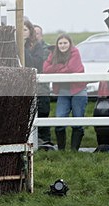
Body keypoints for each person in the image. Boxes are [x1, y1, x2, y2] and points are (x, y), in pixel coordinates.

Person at [43, 34, 87, 150]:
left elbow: (71, 68)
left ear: (70, 43)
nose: (63, 45)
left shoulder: (75, 52)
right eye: (60, 43)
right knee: (60, 119)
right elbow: (46, 69)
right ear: (57, 45)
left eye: (65, 43)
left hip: (78, 90)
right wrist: (62, 66)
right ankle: (61, 150)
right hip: (63, 91)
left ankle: (74, 150)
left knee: (77, 120)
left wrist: (56, 67)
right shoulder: (53, 54)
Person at [23, 19, 53, 150]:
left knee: (42, 113)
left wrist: (23, 49)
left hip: (38, 87)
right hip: (21, 87)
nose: (22, 32)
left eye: (24, 30)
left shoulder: (38, 47)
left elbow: (35, 64)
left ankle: (44, 142)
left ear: (30, 32)